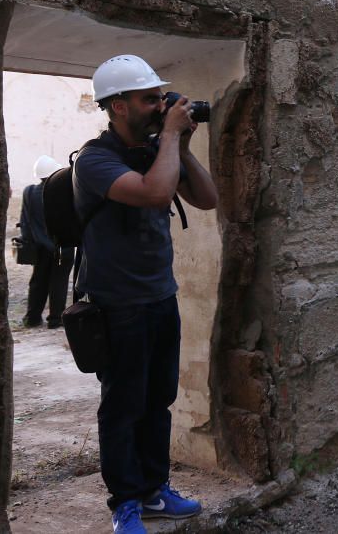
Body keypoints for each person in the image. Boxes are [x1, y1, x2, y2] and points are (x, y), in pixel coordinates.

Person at [74, 55, 218, 534]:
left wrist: (184, 144)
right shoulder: (96, 160)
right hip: (117, 306)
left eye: (161, 97)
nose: (161, 105)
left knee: (158, 399)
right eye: (149, 98)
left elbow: (207, 198)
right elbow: (156, 194)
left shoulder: (159, 151)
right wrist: (171, 137)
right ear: (118, 106)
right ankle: (125, 503)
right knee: (123, 405)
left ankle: (155, 491)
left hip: (160, 297)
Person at [19, 155, 73, 328]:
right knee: (59, 282)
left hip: (39, 247)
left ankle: (32, 318)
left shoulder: (29, 192)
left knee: (38, 282)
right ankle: (55, 319)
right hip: (63, 246)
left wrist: (28, 242)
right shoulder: (65, 191)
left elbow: (25, 222)